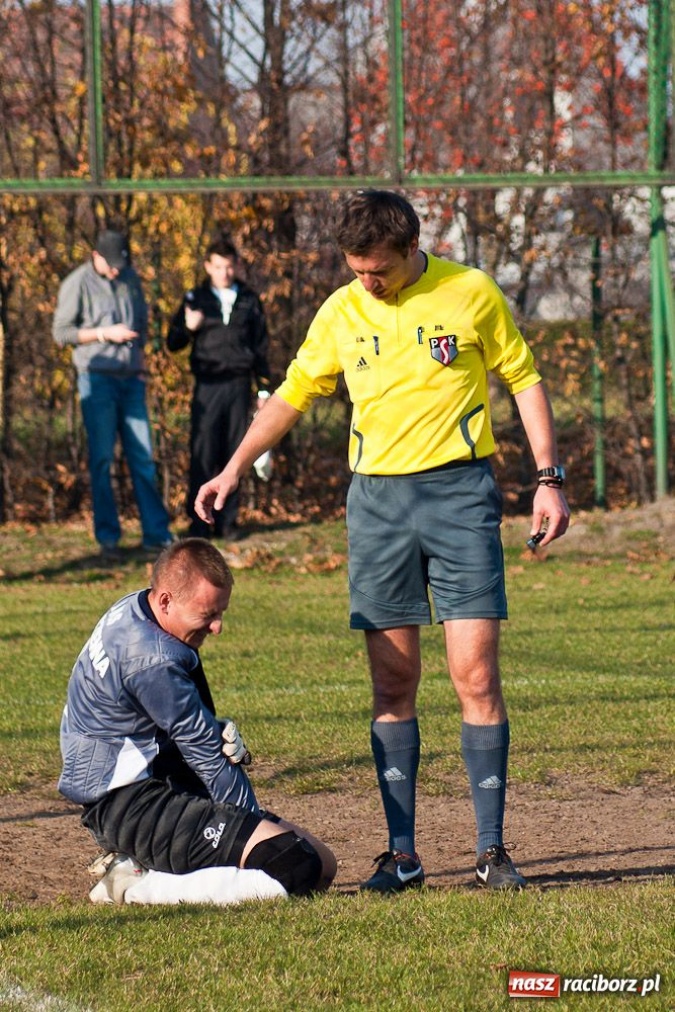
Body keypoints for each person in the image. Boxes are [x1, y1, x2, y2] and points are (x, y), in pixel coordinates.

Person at [195, 190, 571, 893]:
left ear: (409, 249)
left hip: (460, 498)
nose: (366, 282)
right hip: (377, 507)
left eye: (378, 270)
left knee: (476, 677)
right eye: (356, 269)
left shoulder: (468, 291)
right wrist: (233, 467)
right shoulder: (340, 310)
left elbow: (523, 379)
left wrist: (546, 477)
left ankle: (490, 851)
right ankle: (403, 856)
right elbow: (292, 393)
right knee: (393, 681)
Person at [58, 537, 337, 906]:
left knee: (323, 863)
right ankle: (135, 885)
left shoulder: (137, 609)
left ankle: (144, 870)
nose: (218, 627)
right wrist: (246, 821)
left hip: (143, 787)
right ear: (167, 601)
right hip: (131, 808)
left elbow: (164, 723)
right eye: (208, 615)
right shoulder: (154, 660)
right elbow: (206, 756)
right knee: (294, 865)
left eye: (221, 613)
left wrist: (212, 725)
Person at [53, 230, 173, 556]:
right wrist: (105, 334)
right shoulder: (76, 283)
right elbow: (61, 333)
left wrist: (140, 357)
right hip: (97, 380)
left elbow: (143, 319)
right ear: (96, 255)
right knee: (103, 459)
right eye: (112, 264)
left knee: (143, 457)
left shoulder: (130, 277)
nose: (118, 270)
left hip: (131, 380)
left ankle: (156, 534)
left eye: (122, 263)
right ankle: (108, 538)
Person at [167, 237, 271, 542]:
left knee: (235, 453)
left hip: (239, 385)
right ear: (207, 267)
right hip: (207, 386)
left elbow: (261, 348)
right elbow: (172, 343)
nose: (224, 272)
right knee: (203, 451)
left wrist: (264, 391)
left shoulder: (250, 300)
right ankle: (199, 523)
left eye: (229, 266)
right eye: (218, 266)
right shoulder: (194, 298)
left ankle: (228, 522)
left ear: (236, 266)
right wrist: (188, 327)